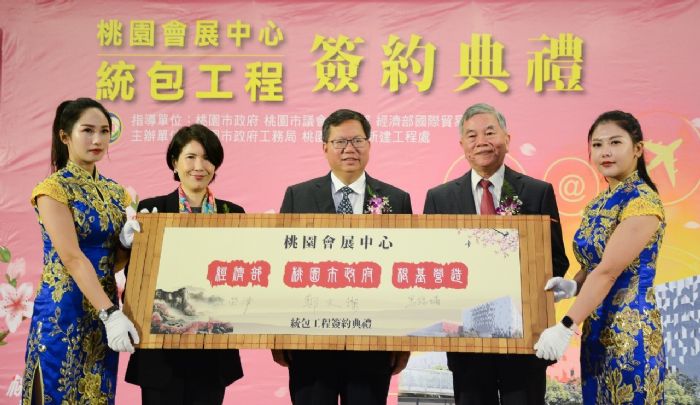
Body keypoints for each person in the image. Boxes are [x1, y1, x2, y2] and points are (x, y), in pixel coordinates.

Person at [423, 103, 569, 405]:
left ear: (507, 138)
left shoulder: (537, 192)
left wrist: (537, 291)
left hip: (525, 339)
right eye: (472, 135)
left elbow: (556, 259)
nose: (481, 141)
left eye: (490, 132)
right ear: (462, 145)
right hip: (467, 341)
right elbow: (431, 266)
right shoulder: (439, 198)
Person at [273, 109, 412, 405]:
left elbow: (404, 272)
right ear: (325, 147)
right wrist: (277, 335)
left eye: (357, 140)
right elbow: (282, 265)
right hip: (310, 341)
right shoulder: (298, 196)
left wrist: (404, 340)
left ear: (369, 145)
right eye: (340, 142)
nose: (350, 149)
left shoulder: (396, 200)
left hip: (372, 343)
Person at [535, 111, 666, 404]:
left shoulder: (642, 201)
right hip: (595, 330)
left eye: (615, 142)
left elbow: (608, 271)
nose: (605, 152)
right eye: (597, 145)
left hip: (631, 334)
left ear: (638, 149)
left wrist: (566, 326)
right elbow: (593, 265)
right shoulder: (599, 202)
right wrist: (574, 285)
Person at [22, 98, 139, 404]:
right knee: (56, 392)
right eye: (87, 131)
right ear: (65, 136)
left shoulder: (118, 193)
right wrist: (110, 313)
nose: (97, 139)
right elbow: (72, 258)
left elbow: (112, 263)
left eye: (104, 131)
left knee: (97, 395)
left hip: (103, 314)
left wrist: (126, 244)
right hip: (64, 311)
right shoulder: (53, 189)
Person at [121, 124, 245, 404]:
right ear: (175, 162)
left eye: (207, 158)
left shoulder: (234, 214)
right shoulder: (152, 210)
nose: (199, 166)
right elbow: (136, 277)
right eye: (190, 157)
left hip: (212, 351)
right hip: (160, 354)